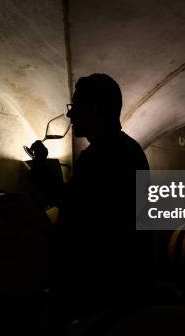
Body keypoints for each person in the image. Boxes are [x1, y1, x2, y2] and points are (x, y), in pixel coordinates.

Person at [29, 73, 152, 320]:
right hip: (117, 282)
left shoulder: (104, 154)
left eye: (75, 105)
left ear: (95, 108)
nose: (70, 114)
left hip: (95, 284)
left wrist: (41, 170)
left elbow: (79, 210)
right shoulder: (127, 149)